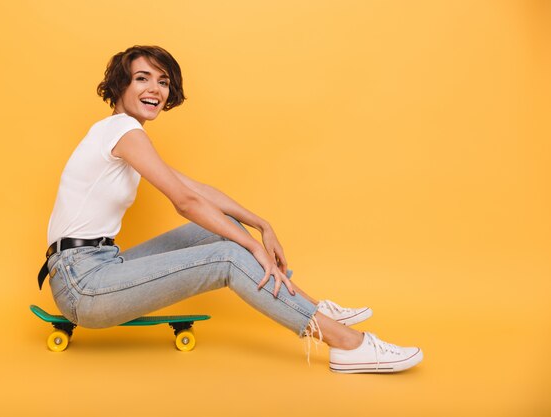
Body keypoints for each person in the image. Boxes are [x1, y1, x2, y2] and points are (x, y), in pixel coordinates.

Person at [38, 45, 423, 373]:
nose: (155, 89)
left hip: (102, 265)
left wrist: (260, 224)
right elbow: (185, 203)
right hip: (82, 285)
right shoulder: (122, 131)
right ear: (120, 86)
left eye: (163, 81)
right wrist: (253, 247)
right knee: (227, 254)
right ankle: (345, 344)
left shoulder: (121, 136)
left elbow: (196, 188)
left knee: (223, 227)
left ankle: (310, 306)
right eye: (142, 78)